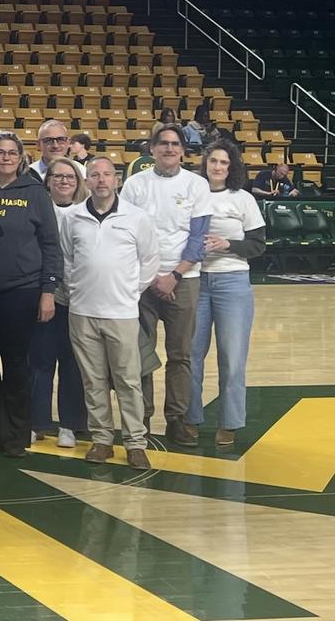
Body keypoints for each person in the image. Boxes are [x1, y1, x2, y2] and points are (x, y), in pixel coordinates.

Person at [62, 157, 159, 470]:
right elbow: (66, 259)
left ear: (116, 180)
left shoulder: (137, 217)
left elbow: (150, 261)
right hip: (82, 311)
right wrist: (75, 289)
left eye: (106, 175)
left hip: (121, 311)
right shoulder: (73, 217)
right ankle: (102, 439)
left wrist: (131, 292)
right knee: (93, 380)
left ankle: (135, 443)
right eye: (94, 175)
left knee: (129, 380)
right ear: (86, 181)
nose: (101, 180)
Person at [120, 122, 212, 447]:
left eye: (175, 144)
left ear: (183, 150)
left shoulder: (197, 185)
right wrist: (152, 276)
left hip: (183, 280)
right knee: (139, 355)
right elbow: (126, 234)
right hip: (142, 282)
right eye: (164, 144)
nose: (169, 149)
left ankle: (177, 420)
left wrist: (173, 275)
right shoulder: (134, 185)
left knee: (180, 356)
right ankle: (140, 420)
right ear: (153, 149)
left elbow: (198, 238)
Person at [0, 131, 62, 458]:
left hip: (22, 291)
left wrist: (47, 291)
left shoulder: (36, 192)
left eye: (12, 153)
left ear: (21, 158)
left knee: (16, 366)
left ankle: (14, 437)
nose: (6, 158)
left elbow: (51, 245)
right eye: (0, 152)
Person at [188, 140, 265, 447]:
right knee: (190, 356)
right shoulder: (193, 194)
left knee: (232, 358)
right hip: (195, 281)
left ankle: (229, 423)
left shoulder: (242, 199)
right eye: (213, 161)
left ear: (231, 167)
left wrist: (228, 245)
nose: (217, 167)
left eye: (224, 162)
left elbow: (258, 245)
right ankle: (190, 419)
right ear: (205, 163)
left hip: (233, 283)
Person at [30, 157, 90, 448]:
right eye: (58, 176)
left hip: (78, 300)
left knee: (72, 364)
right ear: (48, 181)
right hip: (45, 295)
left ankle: (70, 424)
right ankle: (36, 422)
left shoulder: (84, 213)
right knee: (40, 361)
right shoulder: (39, 210)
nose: (64, 181)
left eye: (70, 177)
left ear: (78, 183)